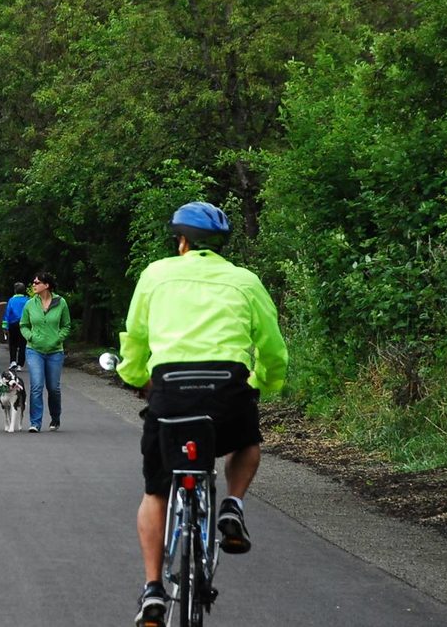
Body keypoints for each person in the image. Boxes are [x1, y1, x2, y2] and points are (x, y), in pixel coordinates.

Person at [117, 202, 287, 626]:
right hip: (227, 388)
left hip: (171, 390)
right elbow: (271, 346)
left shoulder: (155, 275)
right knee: (247, 441)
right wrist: (264, 382)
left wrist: (137, 376)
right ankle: (232, 505)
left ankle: (154, 589)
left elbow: (135, 337)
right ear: (221, 247)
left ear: (181, 242)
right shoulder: (245, 281)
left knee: (156, 490)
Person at [18, 271, 71, 433]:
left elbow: (66, 326)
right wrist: (30, 336)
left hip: (55, 351)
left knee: (53, 388)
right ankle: (35, 422)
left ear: (46, 285)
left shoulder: (60, 303)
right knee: (36, 386)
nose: (33, 285)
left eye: (37, 282)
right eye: (33, 282)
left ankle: (55, 418)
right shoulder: (30, 304)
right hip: (34, 350)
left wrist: (58, 339)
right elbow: (23, 325)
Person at [2, 282, 29, 366]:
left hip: (13, 324)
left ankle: (13, 361)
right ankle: (20, 364)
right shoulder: (27, 300)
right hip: (24, 324)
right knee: (23, 344)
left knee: (13, 343)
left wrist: (5, 326)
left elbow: (7, 313)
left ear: (15, 291)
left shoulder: (11, 300)